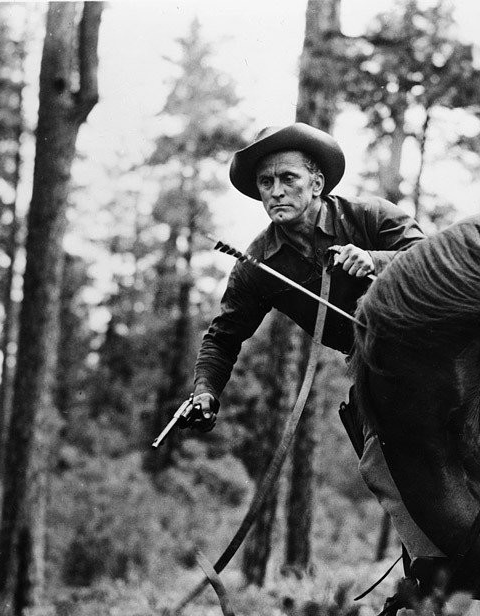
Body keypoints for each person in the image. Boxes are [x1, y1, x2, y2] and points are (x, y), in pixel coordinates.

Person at [186, 122, 444, 562]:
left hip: (437, 340)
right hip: (375, 370)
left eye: (289, 179)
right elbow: (223, 335)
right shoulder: (256, 263)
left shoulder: (368, 216)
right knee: (379, 464)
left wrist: (375, 260)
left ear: (317, 183)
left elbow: (433, 258)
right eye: (266, 183)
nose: (275, 192)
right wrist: (205, 390)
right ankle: (430, 563)